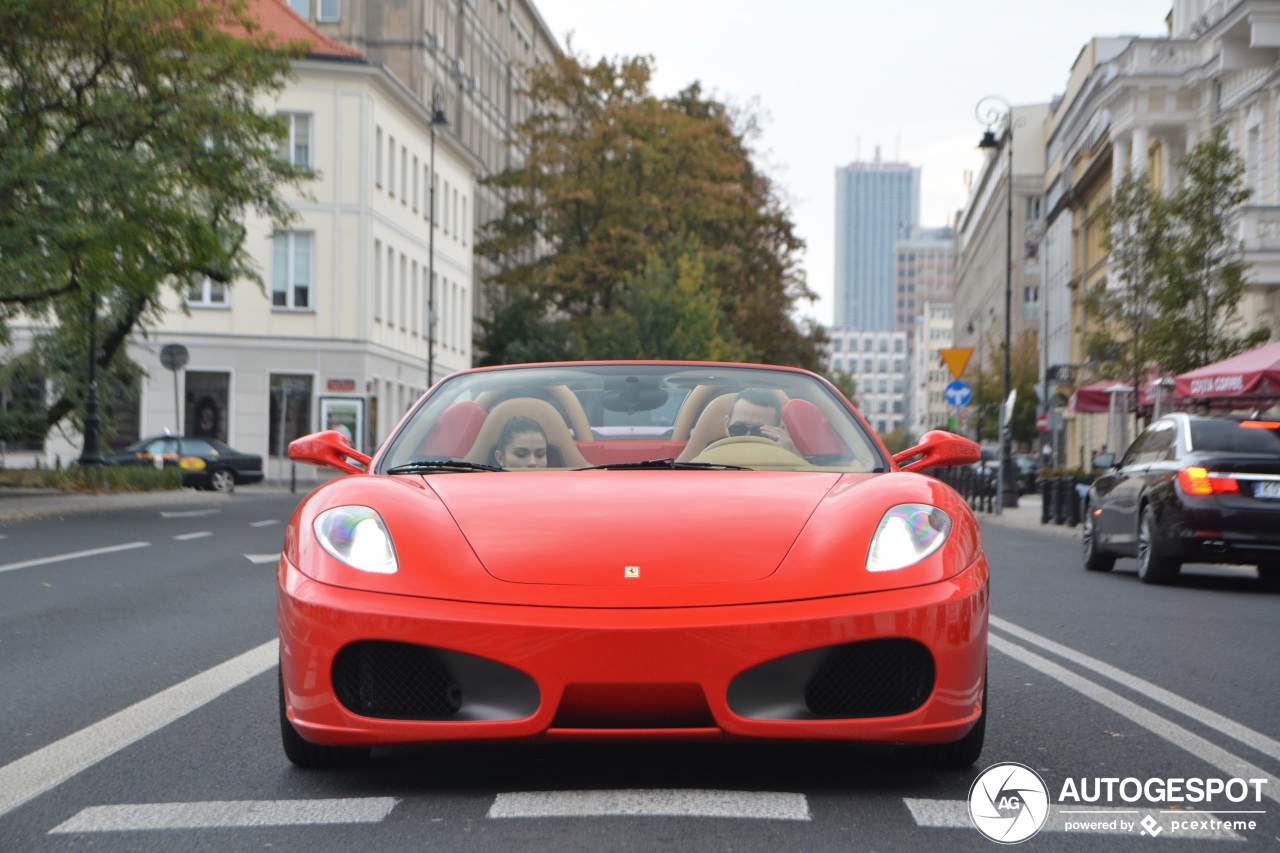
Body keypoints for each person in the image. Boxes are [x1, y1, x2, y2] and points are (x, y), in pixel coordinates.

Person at [723, 388, 796, 453]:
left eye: (759, 432)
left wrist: (785, 456)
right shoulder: (712, 459)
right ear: (727, 425)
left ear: (779, 430)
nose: (748, 438)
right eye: (738, 429)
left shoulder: (790, 463)